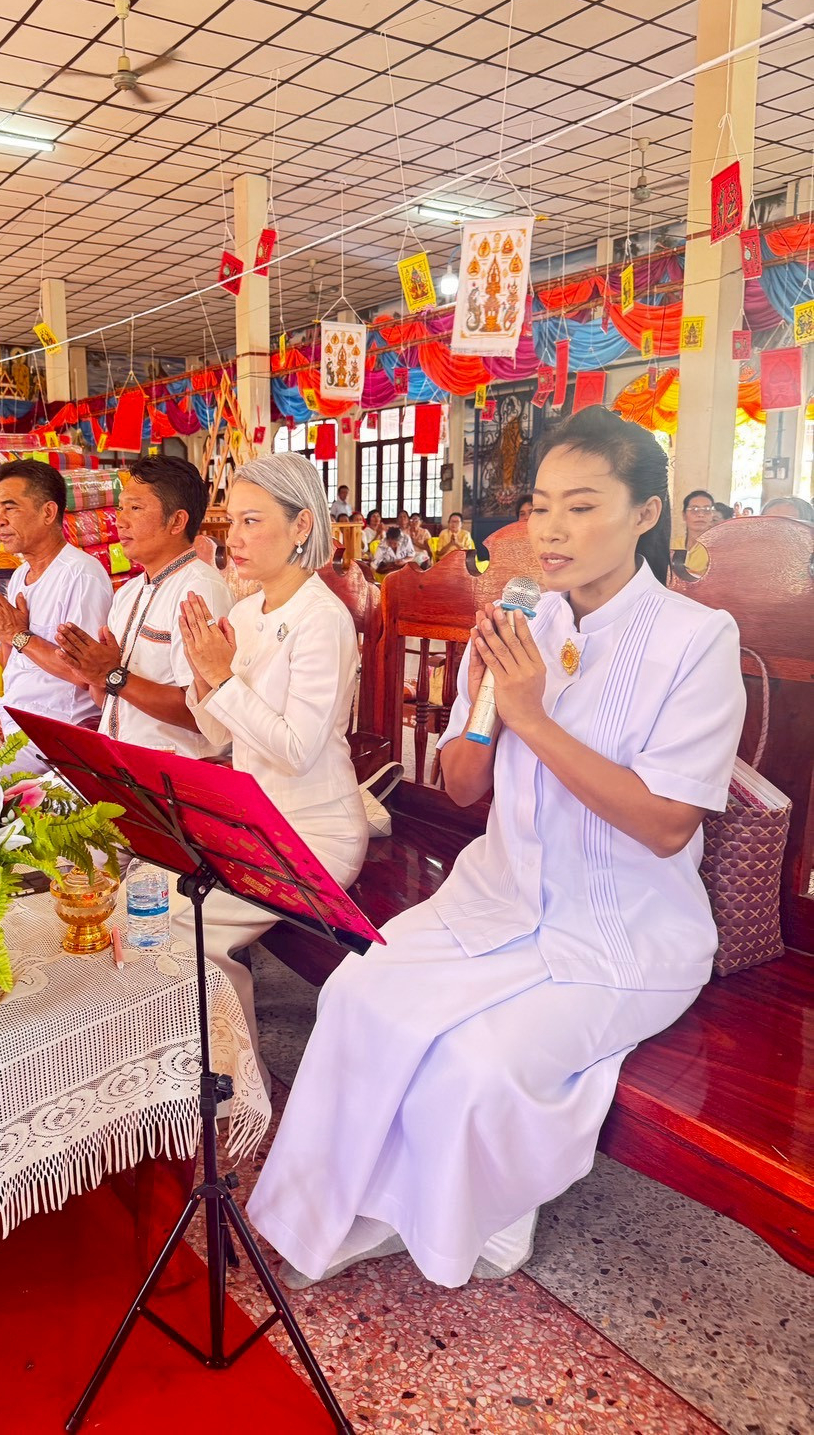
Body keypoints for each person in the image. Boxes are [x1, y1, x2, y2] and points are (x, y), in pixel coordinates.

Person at [248, 406, 745, 1291]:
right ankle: (335, 1202)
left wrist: (530, 716)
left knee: (477, 1057)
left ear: (644, 514)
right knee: (362, 988)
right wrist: (481, 707)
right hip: (498, 894)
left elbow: (669, 823)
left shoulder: (695, 640)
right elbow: (467, 786)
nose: (551, 529)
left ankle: (455, 1226)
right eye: (541, 504)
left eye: (583, 506)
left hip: (624, 929)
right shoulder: (519, 621)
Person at [176, 453, 369, 1076]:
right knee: (152, 899)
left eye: (253, 521)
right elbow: (213, 733)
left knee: (189, 930)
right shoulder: (244, 614)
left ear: (302, 525)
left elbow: (294, 749)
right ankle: (184, 1069)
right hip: (255, 818)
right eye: (231, 522)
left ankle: (234, 1088)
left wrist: (218, 676)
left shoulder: (323, 619)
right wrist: (206, 682)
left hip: (315, 831)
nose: (234, 539)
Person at [54, 456, 232, 757]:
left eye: (136, 509)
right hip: (123, 763)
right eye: (121, 508)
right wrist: (92, 673)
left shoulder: (200, 590)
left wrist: (113, 675)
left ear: (177, 521)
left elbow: (207, 717)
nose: (120, 521)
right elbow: (110, 699)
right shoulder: (128, 592)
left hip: (175, 773)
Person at [0, 460, 112, 771]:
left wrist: (19, 636)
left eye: (10, 508)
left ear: (48, 513)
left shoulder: (81, 574)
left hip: (56, 727)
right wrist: (5, 635)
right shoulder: (21, 574)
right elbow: (13, 664)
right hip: (14, 712)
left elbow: (85, 675)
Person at [680, 488, 715, 554]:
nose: (700, 514)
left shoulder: (717, 549)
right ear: (684, 515)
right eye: (694, 509)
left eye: (707, 510)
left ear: (712, 515)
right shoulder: (672, 546)